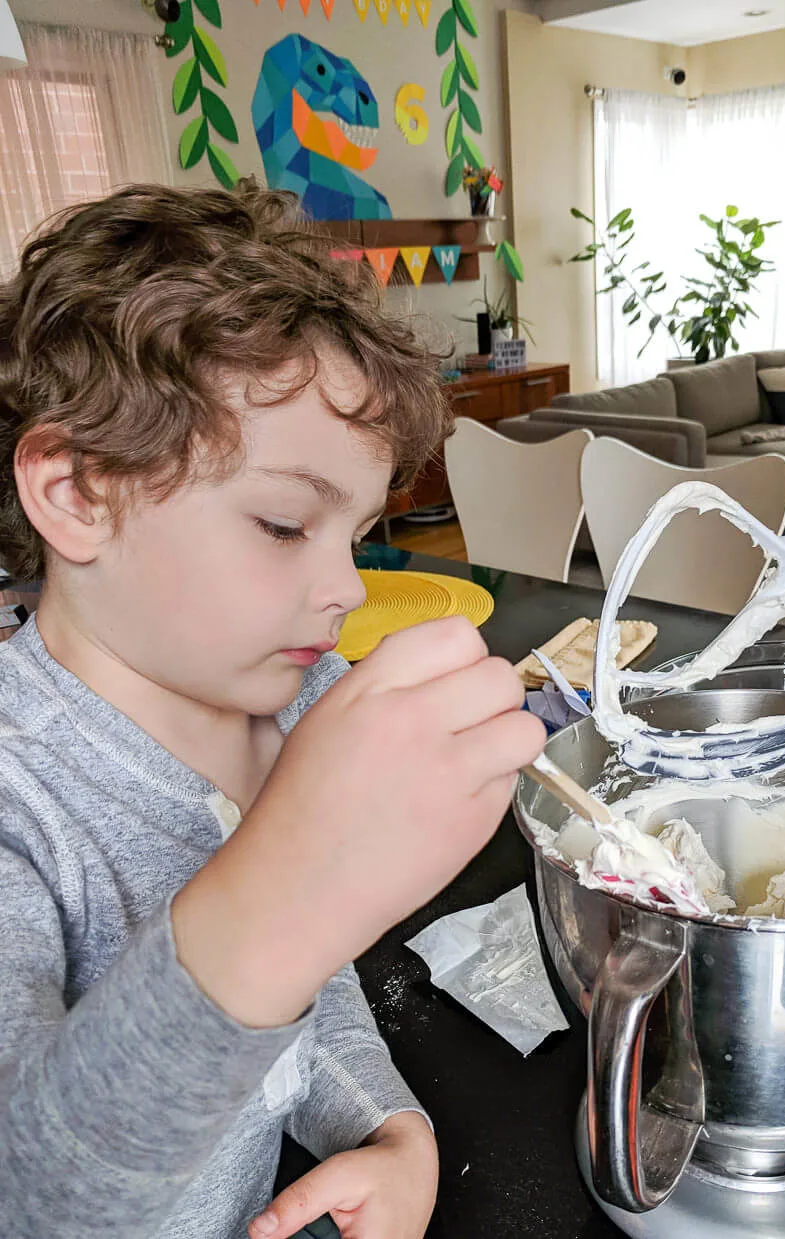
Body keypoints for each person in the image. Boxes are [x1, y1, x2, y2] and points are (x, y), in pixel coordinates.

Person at [0, 183, 546, 1239]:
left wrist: (385, 1126)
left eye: (357, 533)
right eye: (287, 524)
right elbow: (31, 1201)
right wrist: (286, 879)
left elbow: (310, 979)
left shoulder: (289, 701)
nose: (344, 588)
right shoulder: (20, 800)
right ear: (76, 493)